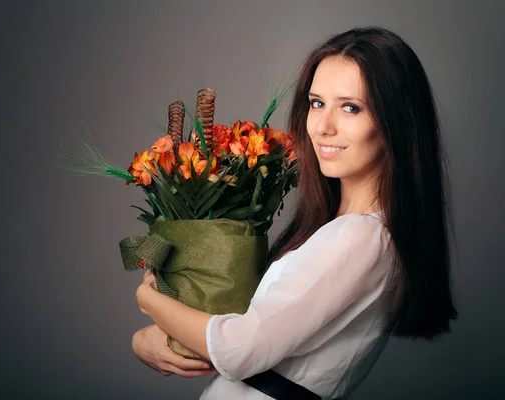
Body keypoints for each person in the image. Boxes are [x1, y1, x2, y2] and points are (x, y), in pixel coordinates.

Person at [132, 26, 458, 399]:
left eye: (351, 107)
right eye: (317, 103)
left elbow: (238, 350)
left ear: (395, 124)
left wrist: (150, 301)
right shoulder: (341, 231)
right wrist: (149, 341)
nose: (323, 126)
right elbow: (247, 333)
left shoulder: (361, 236)